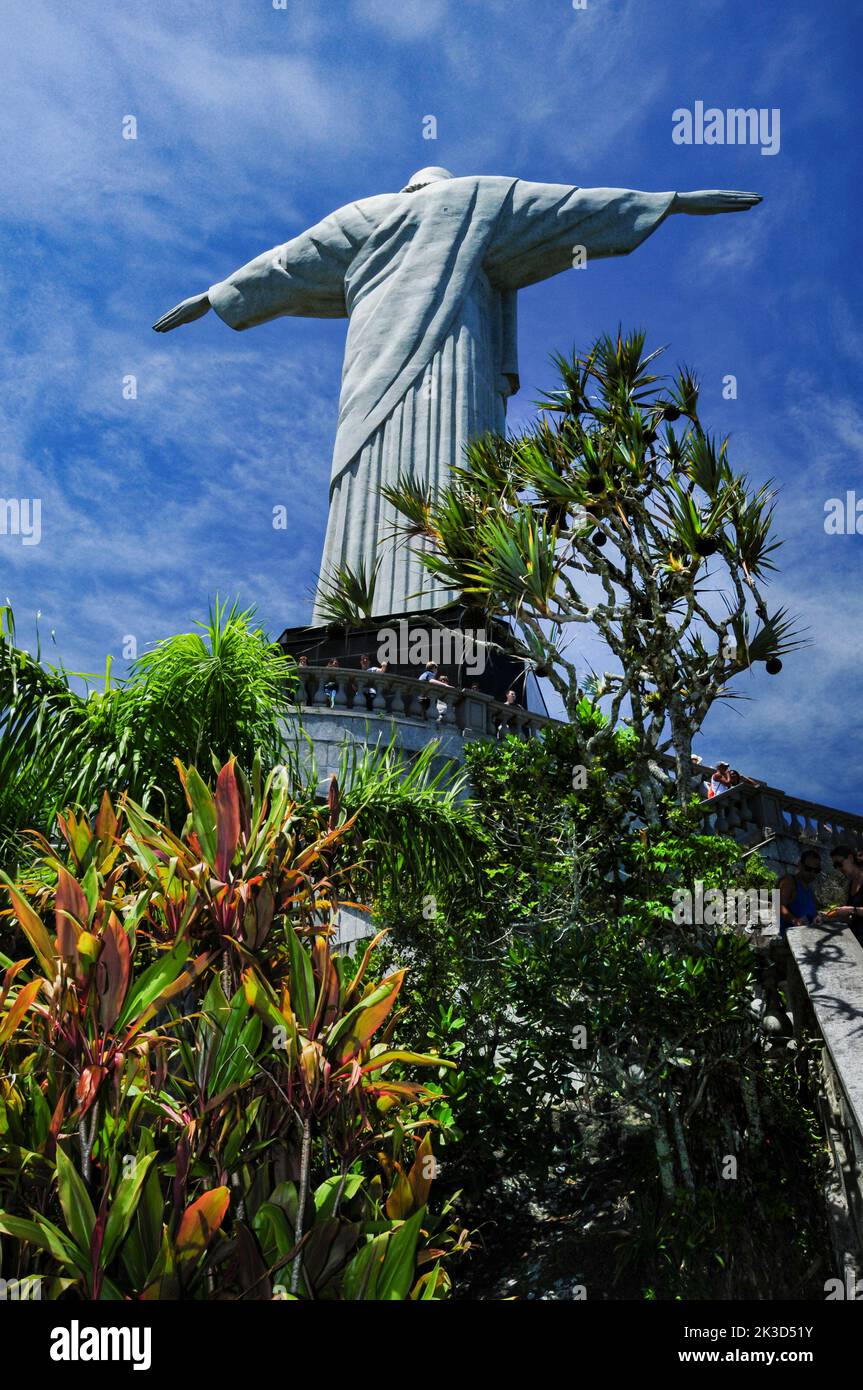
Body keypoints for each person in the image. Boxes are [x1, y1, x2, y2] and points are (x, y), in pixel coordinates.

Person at [820, 845, 863, 944]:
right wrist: (829, 916)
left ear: (851, 858)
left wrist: (851, 910)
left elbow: (853, 910)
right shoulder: (852, 883)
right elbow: (853, 917)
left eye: (839, 863)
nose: (838, 868)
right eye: (835, 866)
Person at [778, 850, 822, 936]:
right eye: (808, 869)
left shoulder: (810, 889)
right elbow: (778, 905)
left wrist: (817, 918)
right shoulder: (789, 881)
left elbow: (813, 913)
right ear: (800, 865)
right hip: (788, 940)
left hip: (805, 938)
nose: (812, 873)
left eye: (816, 870)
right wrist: (794, 920)